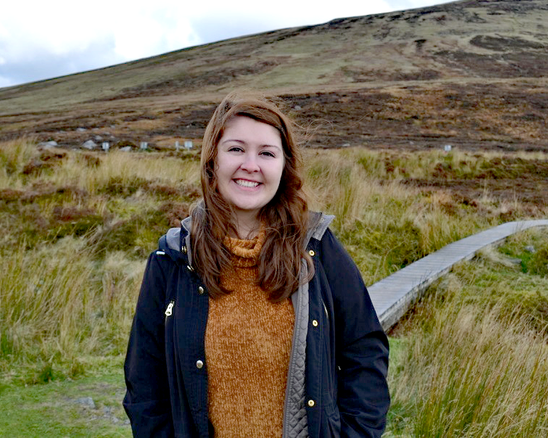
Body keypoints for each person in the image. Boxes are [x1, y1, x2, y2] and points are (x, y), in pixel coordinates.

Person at [123, 92, 390, 437]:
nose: (251, 165)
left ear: (284, 165)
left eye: (266, 153)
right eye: (236, 149)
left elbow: (365, 354)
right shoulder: (173, 260)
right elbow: (144, 383)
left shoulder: (318, 250)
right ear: (212, 160)